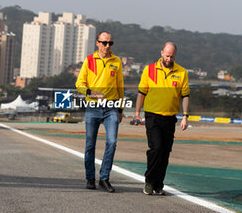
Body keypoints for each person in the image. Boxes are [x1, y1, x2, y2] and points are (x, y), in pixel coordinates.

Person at [133, 42, 190, 195]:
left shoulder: (182, 72)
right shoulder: (149, 69)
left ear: (175, 56)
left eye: (171, 56)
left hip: (170, 118)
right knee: (156, 148)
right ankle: (149, 182)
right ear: (161, 53)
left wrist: (185, 116)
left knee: (165, 152)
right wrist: (137, 113)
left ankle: (159, 184)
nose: (168, 58)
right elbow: (141, 93)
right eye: (166, 55)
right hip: (152, 116)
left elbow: (185, 96)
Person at [76, 31, 124, 193]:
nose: (107, 46)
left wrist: (120, 109)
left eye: (110, 43)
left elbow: (120, 87)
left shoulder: (116, 61)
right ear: (97, 43)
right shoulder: (89, 60)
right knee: (90, 145)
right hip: (93, 107)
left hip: (111, 108)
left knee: (112, 142)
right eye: (104, 43)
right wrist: (91, 93)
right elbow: (79, 84)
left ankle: (104, 178)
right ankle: (90, 177)